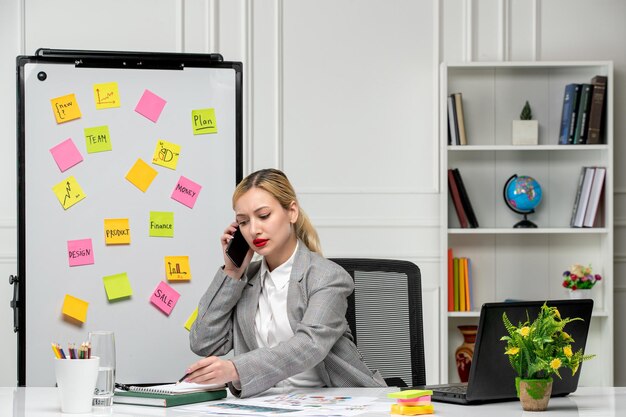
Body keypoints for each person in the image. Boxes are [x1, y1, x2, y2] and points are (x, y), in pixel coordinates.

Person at [186, 168, 386, 398]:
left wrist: (236, 369)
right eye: (243, 222)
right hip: (265, 404)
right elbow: (203, 342)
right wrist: (232, 272)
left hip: (332, 401)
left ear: (292, 212)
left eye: (263, 216)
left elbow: (309, 345)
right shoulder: (244, 281)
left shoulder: (327, 277)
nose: (254, 230)